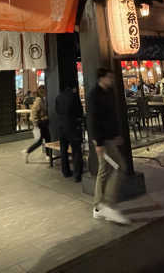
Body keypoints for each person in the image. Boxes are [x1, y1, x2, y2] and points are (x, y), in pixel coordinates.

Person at [87, 67, 131, 224]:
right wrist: (98, 142)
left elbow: (111, 116)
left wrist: (117, 134)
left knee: (104, 170)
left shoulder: (108, 93)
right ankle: (108, 204)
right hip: (103, 140)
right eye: (109, 78)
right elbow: (92, 119)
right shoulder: (94, 95)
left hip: (109, 138)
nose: (111, 80)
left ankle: (98, 207)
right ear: (102, 78)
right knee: (120, 166)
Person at [55, 83, 83, 182]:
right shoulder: (74, 97)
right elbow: (79, 111)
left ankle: (65, 172)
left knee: (63, 150)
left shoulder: (58, 97)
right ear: (73, 88)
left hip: (61, 127)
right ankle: (77, 174)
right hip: (72, 126)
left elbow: (57, 111)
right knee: (76, 150)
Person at [22, 86, 50, 163]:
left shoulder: (42, 100)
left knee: (47, 139)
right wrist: (36, 123)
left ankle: (48, 155)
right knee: (42, 141)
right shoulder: (39, 100)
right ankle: (28, 151)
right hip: (41, 123)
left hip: (43, 123)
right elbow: (33, 112)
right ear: (42, 92)